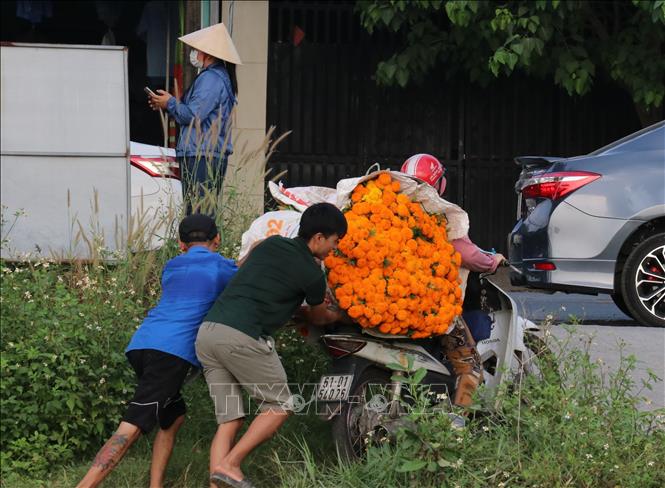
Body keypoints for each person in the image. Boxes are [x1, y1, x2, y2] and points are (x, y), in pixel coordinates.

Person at [77, 215, 238, 488]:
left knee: (173, 417)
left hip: (141, 345)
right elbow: (242, 282)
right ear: (218, 239)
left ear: (180, 244)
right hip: (171, 352)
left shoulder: (172, 266)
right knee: (131, 426)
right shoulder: (222, 267)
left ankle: (156, 485)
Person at [195, 203, 348, 488]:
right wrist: (341, 313)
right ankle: (230, 465)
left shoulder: (271, 243)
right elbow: (317, 316)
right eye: (334, 242)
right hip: (242, 336)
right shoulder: (313, 273)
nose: (333, 249)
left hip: (208, 333)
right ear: (318, 238)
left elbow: (256, 270)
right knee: (280, 405)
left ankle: (218, 482)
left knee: (230, 419)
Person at [401, 153, 505, 408]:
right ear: (439, 184)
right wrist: (494, 261)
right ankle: (456, 427)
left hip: (392, 302)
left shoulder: (388, 211)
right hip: (431, 304)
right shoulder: (439, 215)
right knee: (470, 365)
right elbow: (468, 254)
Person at [148, 22, 241, 213]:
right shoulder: (215, 77)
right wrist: (167, 104)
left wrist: (171, 103)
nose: (194, 53)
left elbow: (193, 115)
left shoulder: (211, 79)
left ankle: (199, 243)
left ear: (208, 53)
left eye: (196, 49)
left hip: (202, 155)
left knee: (198, 213)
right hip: (204, 153)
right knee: (199, 211)